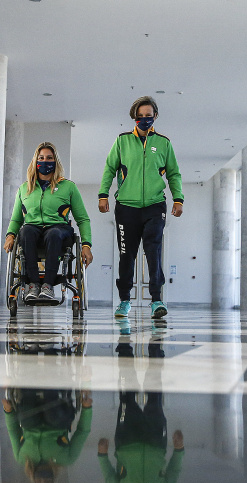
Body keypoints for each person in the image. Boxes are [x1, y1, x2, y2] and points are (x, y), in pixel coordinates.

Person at [99, 96, 183, 319]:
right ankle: (124, 300)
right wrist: (103, 194)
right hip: (126, 207)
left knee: (153, 251)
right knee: (127, 254)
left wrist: (178, 199)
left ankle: (156, 300)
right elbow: (109, 169)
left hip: (155, 206)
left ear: (155, 116)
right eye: (140, 116)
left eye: (148, 115)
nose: (144, 119)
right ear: (134, 117)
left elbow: (173, 174)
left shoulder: (164, 143)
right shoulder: (122, 141)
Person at [5, 142, 93, 304]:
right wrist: (10, 235)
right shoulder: (24, 189)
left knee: (54, 233)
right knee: (26, 231)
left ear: (55, 161)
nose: (45, 161)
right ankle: (33, 285)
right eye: (41, 158)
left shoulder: (68, 187)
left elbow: (82, 219)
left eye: (49, 158)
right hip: (33, 231)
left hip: (59, 230)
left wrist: (86, 245)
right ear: (35, 161)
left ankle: (48, 286)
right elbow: (17, 219)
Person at [2, 388, 93, 483]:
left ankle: (27, 386)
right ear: (53, 478)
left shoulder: (22, 458)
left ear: (33, 479)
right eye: (47, 480)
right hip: (58, 423)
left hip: (30, 424)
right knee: (52, 416)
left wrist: (8, 411)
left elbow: (13, 431)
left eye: (39, 480)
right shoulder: (67, 459)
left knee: (27, 418)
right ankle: (50, 386)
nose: (43, 478)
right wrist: (87, 409)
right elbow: (82, 432)